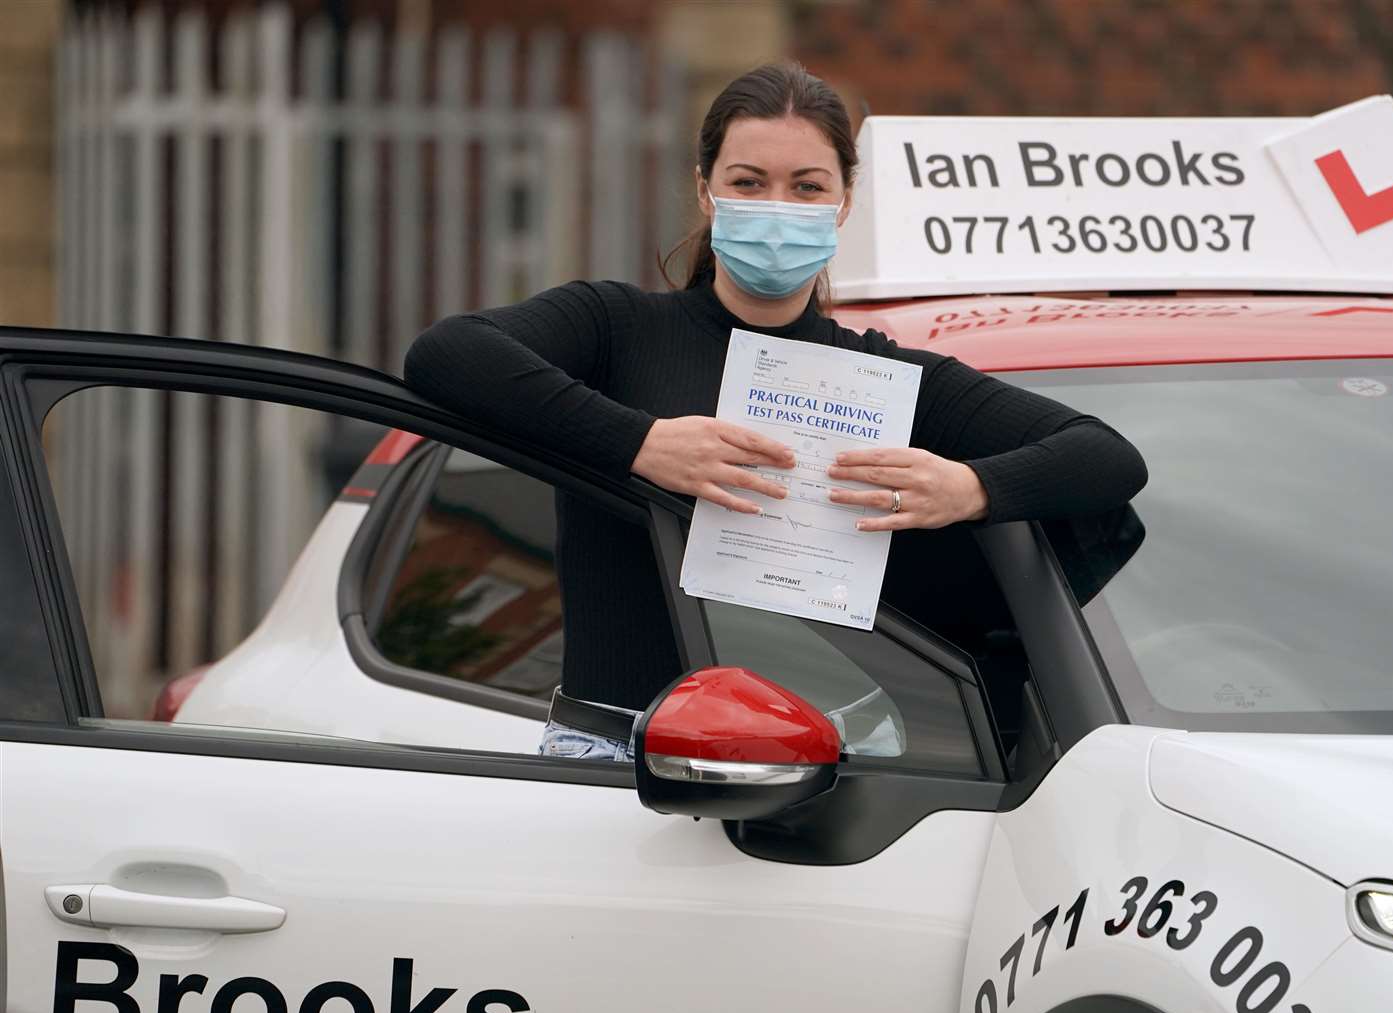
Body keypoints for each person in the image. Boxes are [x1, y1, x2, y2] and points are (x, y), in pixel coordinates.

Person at [403, 60, 1148, 760]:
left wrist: (967, 489)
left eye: (806, 187)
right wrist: (642, 444)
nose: (776, 210)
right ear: (706, 190)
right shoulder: (616, 327)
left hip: (826, 762)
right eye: (749, 182)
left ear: (844, 203)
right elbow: (446, 354)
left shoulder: (883, 375)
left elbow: (1105, 458)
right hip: (611, 748)